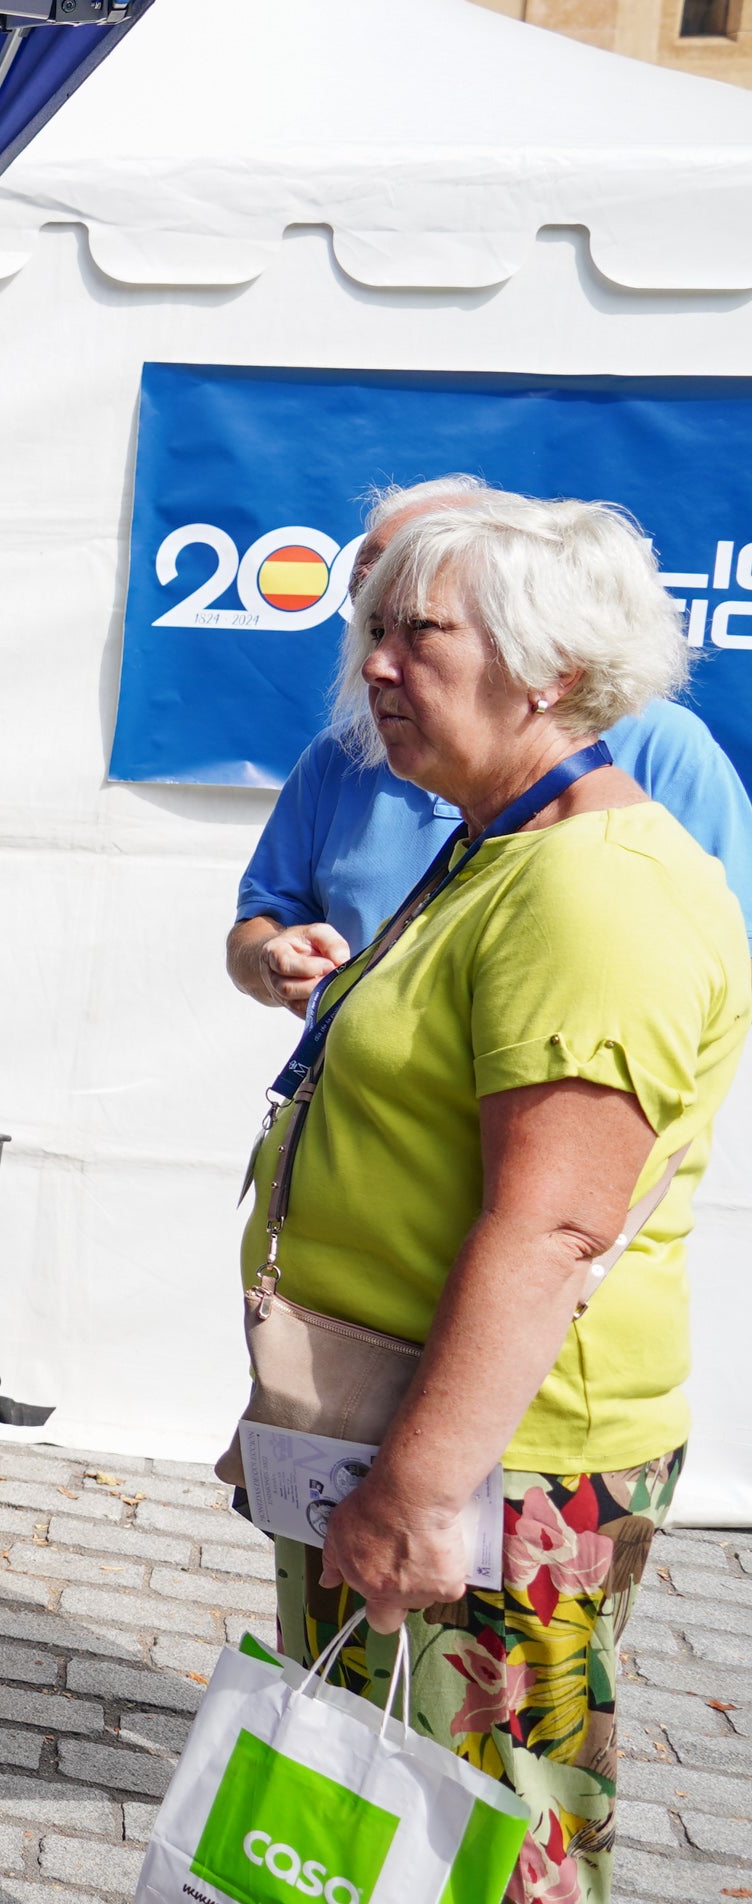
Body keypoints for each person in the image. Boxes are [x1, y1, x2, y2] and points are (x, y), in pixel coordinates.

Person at [237, 490, 745, 1903]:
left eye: (421, 636)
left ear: (553, 674)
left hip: (501, 1465)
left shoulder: (597, 890)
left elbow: (553, 1228)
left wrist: (413, 1486)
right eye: (373, 633)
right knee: (371, 1830)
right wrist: (311, 1428)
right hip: (407, 1418)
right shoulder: (500, 846)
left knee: (492, 1845)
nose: (376, 666)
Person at [229, 477, 752, 1018]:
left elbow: (728, 953)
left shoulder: (654, 764)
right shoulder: (341, 755)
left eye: (423, 623)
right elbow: (264, 916)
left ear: (537, 647)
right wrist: (272, 956)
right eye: (375, 619)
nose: (374, 660)